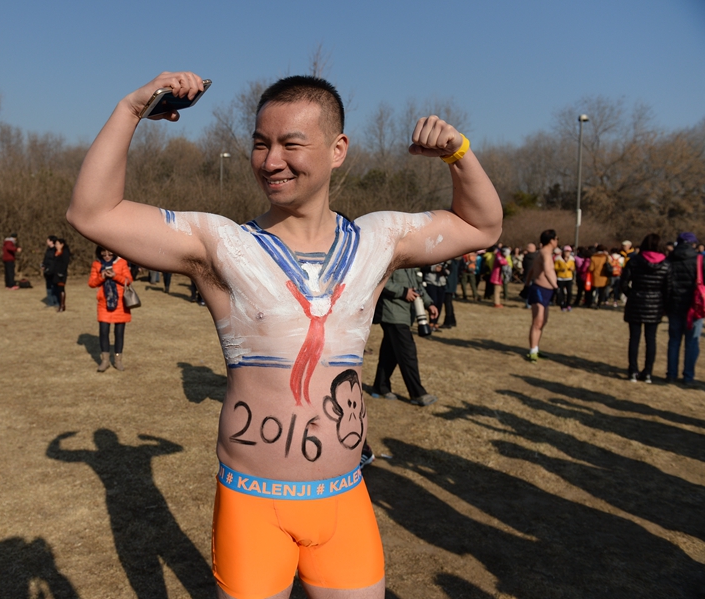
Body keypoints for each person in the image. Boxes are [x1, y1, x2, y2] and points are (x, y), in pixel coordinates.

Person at [67, 71, 502, 599]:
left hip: (345, 499)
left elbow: (482, 226)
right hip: (252, 505)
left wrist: (459, 154)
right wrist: (130, 110)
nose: (272, 161)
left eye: (291, 143)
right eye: (260, 144)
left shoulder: (380, 239)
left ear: (338, 149)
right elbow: (92, 212)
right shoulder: (220, 244)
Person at [371, 268, 439, 406]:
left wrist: (429, 304)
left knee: (390, 353)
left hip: (405, 315)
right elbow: (381, 282)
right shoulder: (391, 259)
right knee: (407, 352)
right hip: (392, 314)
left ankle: (380, 387)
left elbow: (418, 287)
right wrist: (403, 292)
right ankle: (418, 394)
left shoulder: (412, 264)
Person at [620, 233, 669, 383]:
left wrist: (632, 293)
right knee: (651, 339)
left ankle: (633, 371)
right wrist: (662, 303)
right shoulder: (666, 264)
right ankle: (648, 372)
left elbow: (623, 282)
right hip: (655, 303)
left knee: (634, 338)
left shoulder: (634, 261)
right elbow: (668, 288)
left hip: (636, 301)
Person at [665, 232, 703, 385]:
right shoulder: (700, 260)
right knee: (692, 342)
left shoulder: (669, 259)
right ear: (693, 244)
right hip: (694, 306)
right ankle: (688, 376)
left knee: (674, 341)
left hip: (674, 304)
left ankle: (671, 374)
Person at [89, 246, 133, 372]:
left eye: (110, 253)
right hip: (104, 303)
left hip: (120, 303)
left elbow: (129, 280)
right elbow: (91, 283)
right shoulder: (96, 264)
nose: (107, 256)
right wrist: (101, 277)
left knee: (119, 333)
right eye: (104, 254)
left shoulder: (122, 262)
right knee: (103, 332)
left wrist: (115, 276)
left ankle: (118, 360)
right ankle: (105, 360)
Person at [526, 230, 558, 363]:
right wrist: (556, 287)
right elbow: (547, 270)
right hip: (540, 289)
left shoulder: (547, 253)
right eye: (556, 239)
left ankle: (536, 348)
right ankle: (532, 350)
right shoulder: (544, 253)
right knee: (537, 321)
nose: (557, 241)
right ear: (551, 240)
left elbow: (532, 270)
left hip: (547, 291)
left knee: (543, 321)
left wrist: (526, 283)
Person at [554, 245, 575, 311]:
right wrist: (560, 269)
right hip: (560, 277)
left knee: (569, 292)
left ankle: (568, 304)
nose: (567, 253)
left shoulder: (571, 259)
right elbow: (555, 267)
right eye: (566, 251)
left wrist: (572, 268)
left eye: (569, 251)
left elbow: (573, 267)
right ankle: (562, 305)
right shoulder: (558, 259)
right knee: (561, 293)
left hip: (569, 277)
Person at [52, 238, 70, 312]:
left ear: (62, 244)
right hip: (56, 273)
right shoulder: (56, 252)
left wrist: (61, 273)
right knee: (58, 289)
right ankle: (60, 304)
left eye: (57, 244)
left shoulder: (65, 252)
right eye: (55, 244)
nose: (56, 245)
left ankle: (62, 305)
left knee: (61, 288)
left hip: (61, 273)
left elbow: (65, 263)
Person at [41, 235, 58, 307]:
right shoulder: (48, 250)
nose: (47, 241)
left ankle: (56, 302)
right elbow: (46, 259)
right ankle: (50, 302)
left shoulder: (56, 250)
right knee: (48, 287)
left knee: (55, 287)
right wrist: (43, 265)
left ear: (51, 241)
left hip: (54, 271)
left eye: (48, 240)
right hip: (47, 271)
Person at [521, 242, 538, 308]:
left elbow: (523, 265)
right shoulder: (537, 256)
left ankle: (528, 304)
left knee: (528, 290)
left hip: (527, 275)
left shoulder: (526, 257)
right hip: (536, 275)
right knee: (535, 290)